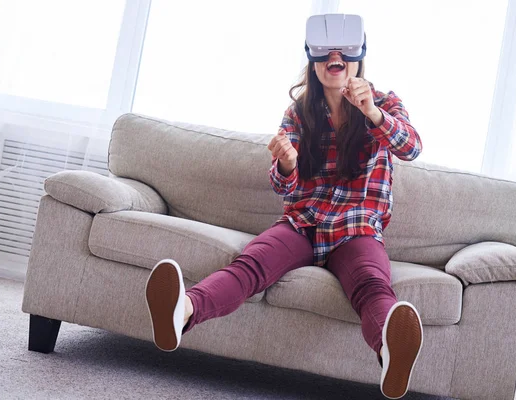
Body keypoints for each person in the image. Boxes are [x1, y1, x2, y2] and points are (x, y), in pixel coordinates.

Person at [145, 17, 423, 400]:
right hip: (303, 222)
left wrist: (373, 112)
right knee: (249, 266)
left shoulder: (385, 103)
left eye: (343, 54)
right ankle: (182, 312)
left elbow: (411, 148)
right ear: (313, 60)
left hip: (357, 227)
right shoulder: (298, 113)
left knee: (372, 284)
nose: (335, 59)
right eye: (326, 54)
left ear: (359, 59)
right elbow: (281, 184)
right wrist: (288, 163)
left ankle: (390, 351)